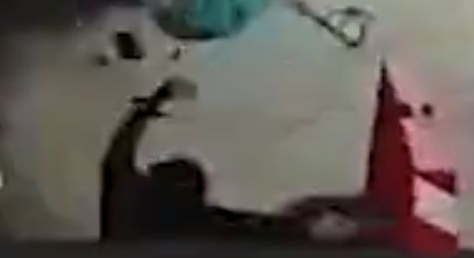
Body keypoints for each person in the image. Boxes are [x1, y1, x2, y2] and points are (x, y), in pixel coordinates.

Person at [99, 78, 314, 243]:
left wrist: (150, 105)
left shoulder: (129, 207)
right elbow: (247, 226)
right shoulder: (198, 226)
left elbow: (118, 154)